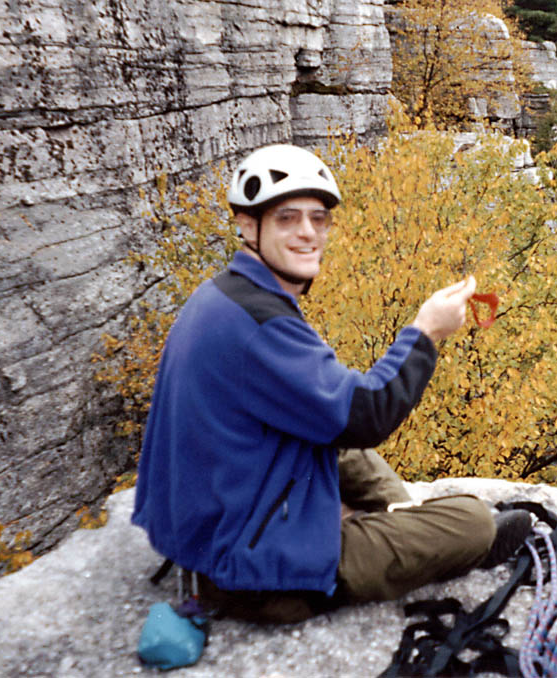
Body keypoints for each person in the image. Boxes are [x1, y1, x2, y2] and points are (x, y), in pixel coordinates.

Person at [132, 143, 532, 623]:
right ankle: (424, 534)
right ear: (246, 225)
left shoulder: (221, 296)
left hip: (209, 521)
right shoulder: (261, 325)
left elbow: (331, 414)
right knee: (469, 521)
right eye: (287, 218)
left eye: (318, 219)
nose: (308, 233)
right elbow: (367, 413)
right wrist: (425, 333)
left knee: (337, 440)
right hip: (252, 570)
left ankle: (399, 517)